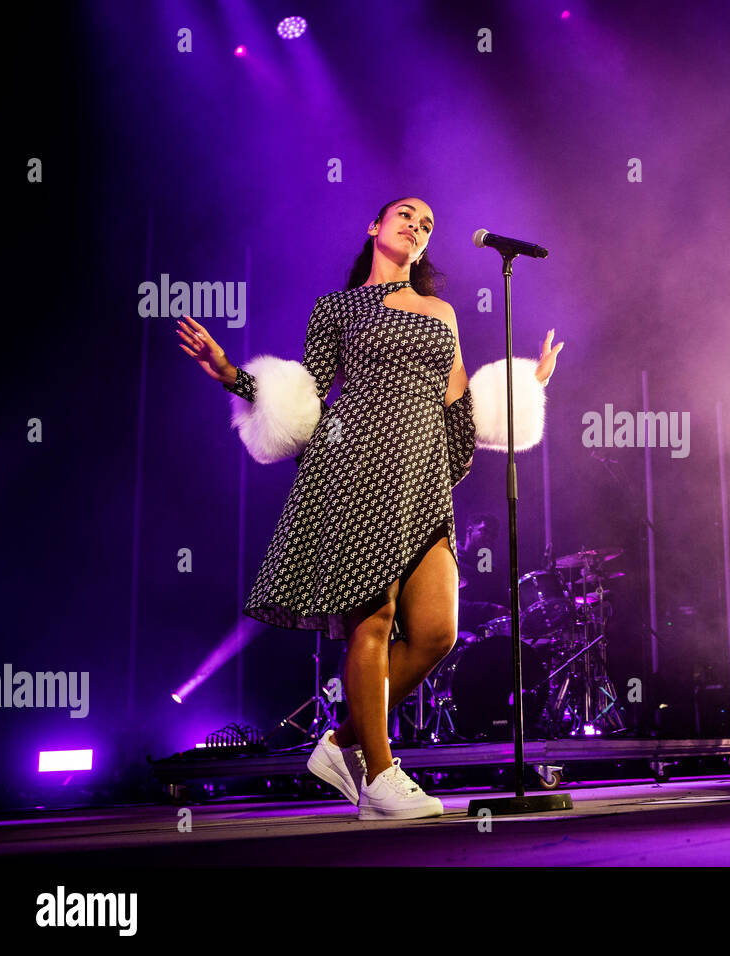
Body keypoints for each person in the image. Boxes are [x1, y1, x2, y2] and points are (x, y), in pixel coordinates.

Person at [177, 196, 563, 819]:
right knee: (375, 624)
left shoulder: (441, 311)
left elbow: (458, 400)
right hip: (355, 470)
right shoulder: (337, 309)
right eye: (406, 215)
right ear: (376, 227)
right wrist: (232, 376)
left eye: (428, 224)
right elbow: (305, 393)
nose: (418, 226)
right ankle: (380, 777)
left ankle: (343, 744)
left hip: (422, 481)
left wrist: (524, 389)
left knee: (436, 633)